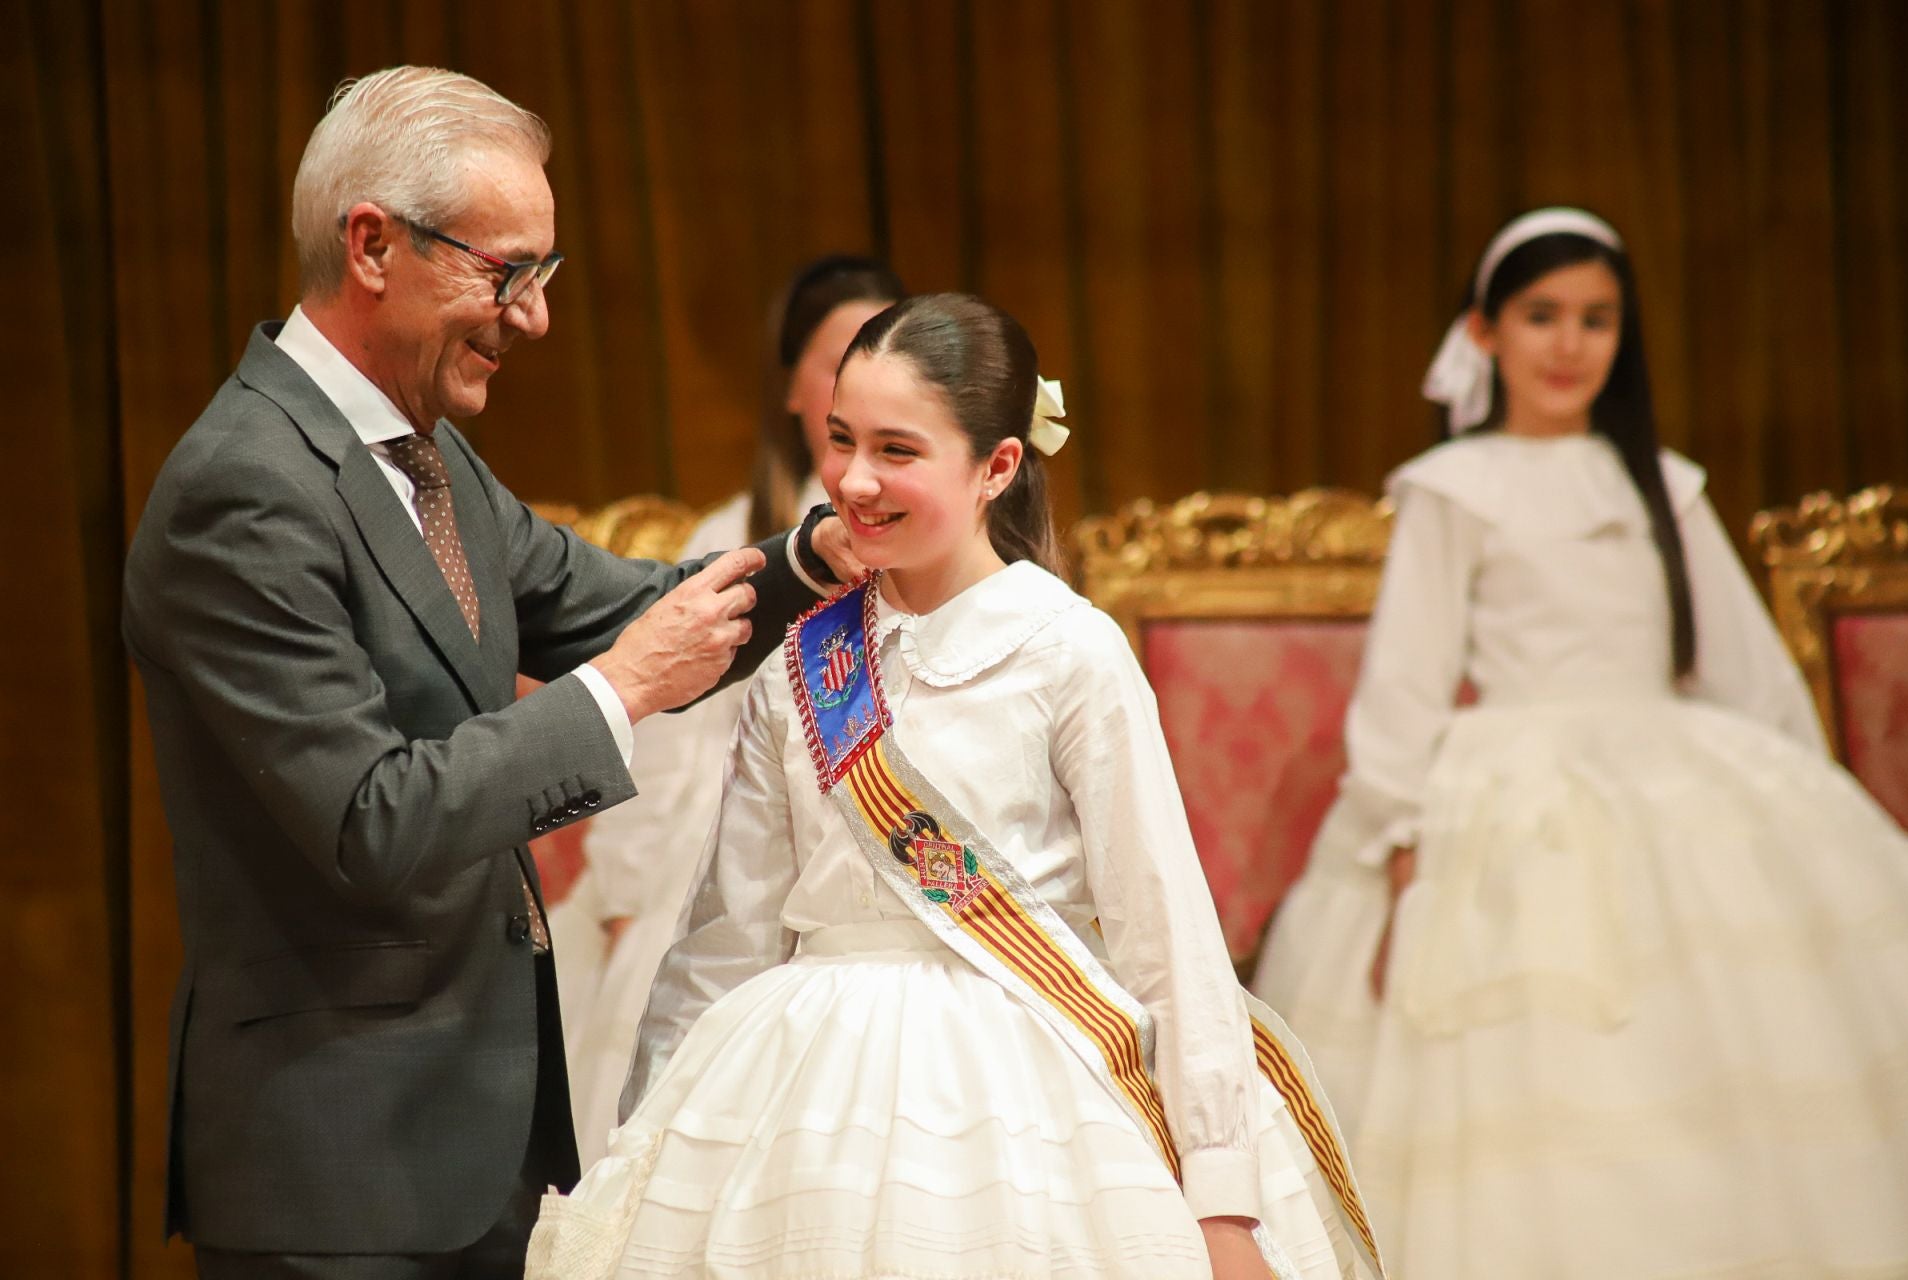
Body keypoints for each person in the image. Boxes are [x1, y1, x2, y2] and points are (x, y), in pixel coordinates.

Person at [121, 66, 851, 1277]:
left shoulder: (429, 454)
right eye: (506, 273)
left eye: (543, 276)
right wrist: (621, 690)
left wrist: (820, 554)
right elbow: (372, 816)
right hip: (338, 1173)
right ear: (372, 245)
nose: (534, 317)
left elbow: (618, 599)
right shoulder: (243, 488)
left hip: (480, 1147)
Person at [527, 294, 1385, 1280]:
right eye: (841, 439)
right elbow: (730, 929)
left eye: (898, 449)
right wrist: (649, 1149)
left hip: (1027, 1085)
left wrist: (1224, 1199)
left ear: (998, 466)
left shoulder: (1066, 649)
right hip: (803, 1095)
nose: (854, 479)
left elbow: (1163, 928)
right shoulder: (806, 652)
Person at [1250, 207, 1908, 1278]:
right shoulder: (1454, 488)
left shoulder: (1666, 480)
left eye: (1597, 319)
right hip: (1515, 783)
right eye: (1543, 315)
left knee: (1737, 1032)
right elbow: (1407, 683)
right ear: (1486, 332)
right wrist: (1398, 829)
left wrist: (1799, 802)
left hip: (1674, 771)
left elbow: (1746, 667)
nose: (1570, 344)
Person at [559, 254, 905, 1164]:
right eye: (841, 359)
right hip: (730, 851)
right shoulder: (732, 542)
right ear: (795, 387)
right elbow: (667, 739)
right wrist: (630, 899)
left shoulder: (930, 548)